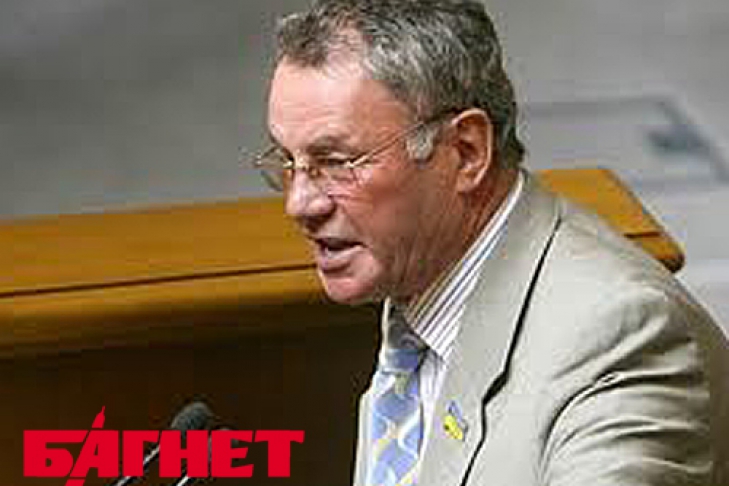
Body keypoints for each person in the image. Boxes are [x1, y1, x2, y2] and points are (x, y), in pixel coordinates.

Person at [250, 0, 729, 484]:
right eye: (288, 161)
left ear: (466, 152)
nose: (299, 203)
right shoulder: (420, 281)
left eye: (336, 163)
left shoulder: (620, 337)